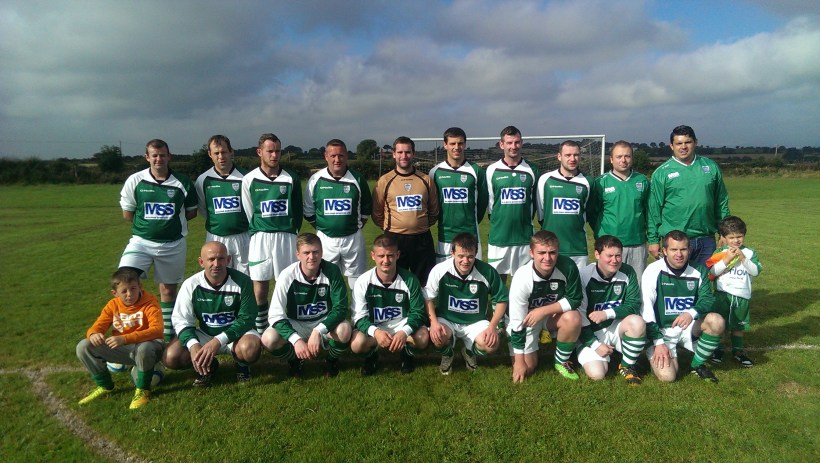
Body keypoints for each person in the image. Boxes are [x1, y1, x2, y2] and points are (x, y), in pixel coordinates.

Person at [118, 139, 198, 343]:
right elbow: (128, 213)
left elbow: (191, 212)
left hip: (173, 244)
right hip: (141, 242)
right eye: (154, 155)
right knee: (125, 282)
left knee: (168, 290)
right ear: (147, 157)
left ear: (169, 156)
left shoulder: (183, 182)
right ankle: (127, 338)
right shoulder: (135, 181)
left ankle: (166, 338)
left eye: (162, 155)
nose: (158, 159)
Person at [163, 242, 261, 386]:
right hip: (205, 334)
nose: (216, 264)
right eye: (211, 259)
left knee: (249, 349)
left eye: (221, 259)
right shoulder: (191, 285)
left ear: (228, 260)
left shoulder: (243, 281)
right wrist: (193, 345)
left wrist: (218, 341)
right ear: (201, 262)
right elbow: (181, 320)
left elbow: (247, 318)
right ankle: (208, 366)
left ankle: (242, 365)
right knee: (171, 357)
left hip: (236, 336)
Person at [262, 233, 352, 378]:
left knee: (345, 329)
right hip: (297, 323)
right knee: (268, 338)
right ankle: (295, 359)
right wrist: (295, 340)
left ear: (322, 252)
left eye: (316, 252)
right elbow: (275, 315)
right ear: (298, 254)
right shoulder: (287, 275)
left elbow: (341, 308)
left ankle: (331, 360)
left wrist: (318, 331)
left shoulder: (332, 271)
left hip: (324, 321)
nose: (312, 257)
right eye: (306, 253)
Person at [641, 230, 724, 383]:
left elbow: (708, 299)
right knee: (668, 377)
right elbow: (646, 309)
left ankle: (697, 364)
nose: (679, 254)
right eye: (673, 249)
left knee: (716, 320)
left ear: (689, 250)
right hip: (663, 331)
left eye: (683, 249)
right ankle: (653, 350)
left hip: (689, 328)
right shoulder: (653, 271)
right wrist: (658, 343)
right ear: (664, 251)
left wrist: (691, 313)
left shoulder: (698, 270)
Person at [76, 268, 163, 409]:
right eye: (124, 291)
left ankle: (143, 390)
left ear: (140, 287)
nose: (130, 294)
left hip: (151, 347)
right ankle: (105, 385)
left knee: (144, 348)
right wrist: (94, 334)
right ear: (115, 293)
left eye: (133, 289)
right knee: (84, 346)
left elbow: (157, 330)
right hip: (126, 349)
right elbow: (97, 327)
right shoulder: (113, 305)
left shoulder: (150, 302)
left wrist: (124, 339)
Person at [241, 133, 303, 334]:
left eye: (277, 151)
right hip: (261, 237)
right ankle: (261, 329)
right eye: (270, 151)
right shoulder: (249, 179)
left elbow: (297, 210)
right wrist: (260, 229)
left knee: (288, 282)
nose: (274, 155)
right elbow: (249, 210)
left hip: (286, 236)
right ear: (260, 152)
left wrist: (291, 231)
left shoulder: (291, 177)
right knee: (260, 284)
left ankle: (290, 326)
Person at [425, 233, 508, 375]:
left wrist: (493, 326)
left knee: (491, 345)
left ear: (476, 253)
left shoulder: (487, 272)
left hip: (475, 322)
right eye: (461, 256)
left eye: (470, 256)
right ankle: (448, 353)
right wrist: (433, 323)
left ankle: (469, 351)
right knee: (437, 337)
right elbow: (428, 298)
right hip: (447, 319)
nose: (465, 261)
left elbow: (501, 299)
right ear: (452, 253)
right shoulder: (440, 270)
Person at [648, 125, 730, 265]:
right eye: (679, 143)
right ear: (671, 146)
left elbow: (721, 201)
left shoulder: (710, 166)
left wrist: (725, 232)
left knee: (704, 281)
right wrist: (653, 240)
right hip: (676, 241)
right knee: (677, 283)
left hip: (706, 239)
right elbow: (653, 210)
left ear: (695, 142)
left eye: (688, 142)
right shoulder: (662, 173)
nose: (683, 147)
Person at [507, 230, 582, 383]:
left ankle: (561, 362)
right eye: (541, 252)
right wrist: (519, 362)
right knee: (528, 368)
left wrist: (542, 311)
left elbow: (575, 299)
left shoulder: (567, 266)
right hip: (525, 320)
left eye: (552, 252)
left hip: (549, 316)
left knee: (573, 318)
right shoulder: (522, 278)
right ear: (531, 253)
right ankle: (514, 344)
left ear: (558, 252)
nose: (547, 258)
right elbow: (517, 322)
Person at [350, 234, 430, 375]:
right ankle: (371, 356)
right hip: (377, 327)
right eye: (381, 256)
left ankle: (407, 353)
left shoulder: (410, 279)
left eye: (390, 256)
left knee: (423, 338)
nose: (386, 261)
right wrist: (376, 332)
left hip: (402, 326)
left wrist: (404, 332)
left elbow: (418, 312)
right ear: (373, 255)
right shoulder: (363, 281)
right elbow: (358, 317)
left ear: (398, 255)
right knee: (357, 344)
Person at [576, 235, 646, 385]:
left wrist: (607, 313)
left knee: (637, 322)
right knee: (597, 374)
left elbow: (634, 304)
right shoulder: (583, 276)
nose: (614, 260)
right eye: (609, 256)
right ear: (597, 254)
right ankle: (595, 353)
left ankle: (627, 365)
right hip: (591, 332)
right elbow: (579, 316)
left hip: (616, 327)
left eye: (618, 256)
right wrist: (595, 345)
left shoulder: (628, 272)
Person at [303, 139, 372, 289]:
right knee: (327, 280)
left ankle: (357, 312)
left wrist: (351, 226)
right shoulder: (315, 180)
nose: (337, 159)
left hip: (353, 238)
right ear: (326, 156)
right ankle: (331, 311)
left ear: (346, 156)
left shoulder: (358, 178)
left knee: (357, 281)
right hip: (325, 240)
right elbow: (308, 211)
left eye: (341, 155)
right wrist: (325, 226)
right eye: (333, 155)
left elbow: (366, 210)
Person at [372, 136, 440, 286]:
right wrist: (393, 227)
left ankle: (422, 310)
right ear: (394, 154)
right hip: (395, 238)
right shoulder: (385, 180)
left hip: (421, 239)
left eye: (408, 152)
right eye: (400, 152)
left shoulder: (425, 179)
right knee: (395, 280)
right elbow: (377, 212)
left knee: (424, 281)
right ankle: (398, 308)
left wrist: (418, 225)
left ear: (413, 154)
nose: (404, 156)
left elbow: (434, 210)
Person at [587, 141, 651, 278]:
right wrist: (602, 232)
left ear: (632, 158)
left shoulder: (643, 181)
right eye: (619, 156)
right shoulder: (600, 182)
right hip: (608, 245)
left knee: (637, 287)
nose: (623, 160)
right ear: (611, 159)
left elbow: (649, 213)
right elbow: (592, 213)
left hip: (636, 243)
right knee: (608, 286)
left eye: (627, 156)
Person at [705, 216, 762, 367]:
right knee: (721, 325)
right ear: (723, 238)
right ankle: (718, 350)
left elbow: (755, 271)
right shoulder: (719, 252)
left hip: (741, 296)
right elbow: (712, 272)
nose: (736, 240)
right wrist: (726, 259)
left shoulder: (749, 253)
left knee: (738, 327)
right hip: (722, 295)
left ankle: (738, 352)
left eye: (739, 236)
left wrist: (743, 259)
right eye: (731, 237)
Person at [486, 125, 540, 283]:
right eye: (509, 143)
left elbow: (536, 202)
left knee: (522, 282)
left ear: (521, 143)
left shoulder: (532, 169)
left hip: (523, 237)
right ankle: (499, 308)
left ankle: (519, 309)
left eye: (516, 142)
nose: (513, 146)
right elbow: (490, 204)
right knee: (498, 281)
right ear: (501, 144)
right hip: (499, 237)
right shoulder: (491, 170)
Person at [428, 127, 488, 262]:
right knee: (444, 277)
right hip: (445, 235)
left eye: (460, 143)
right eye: (452, 143)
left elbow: (482, 203)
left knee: (471, 275)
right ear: (445, 145)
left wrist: (470, 220)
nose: (457, 147)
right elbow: (433, 204)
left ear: (465, 144)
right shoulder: (435, 172)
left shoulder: (476, 171)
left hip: (470, 234)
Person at [194, 134, 250, 274]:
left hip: (243, 236)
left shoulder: (246, 177)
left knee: (245, 277)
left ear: (231, 152)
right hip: (216, 236)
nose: (221, 156)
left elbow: (252, 208)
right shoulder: (203, 180)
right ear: (210, 154)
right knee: (218, 277)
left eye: (224, 152)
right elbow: (203, 208)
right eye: (216, 153)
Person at [536, 140, 593, 270]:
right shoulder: (545, 180)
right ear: (559, 156)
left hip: (578, 248)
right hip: (549, 248)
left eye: (576, 155)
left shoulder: (587, 182)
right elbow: (541, 214)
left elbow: (588, 212)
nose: (572, 159)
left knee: (577, 288)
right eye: (568, 155)